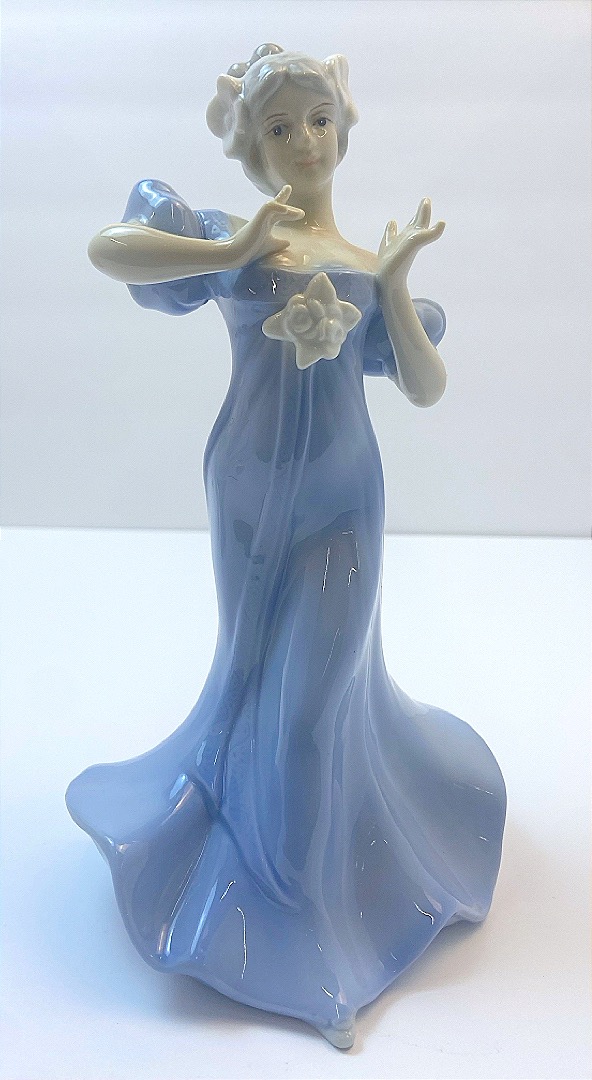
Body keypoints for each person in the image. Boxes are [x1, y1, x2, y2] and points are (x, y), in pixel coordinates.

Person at [67, 45, 506, 1049]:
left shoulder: (360, 263)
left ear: (341, 130)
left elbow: (425, 386)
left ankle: (316, 948)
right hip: (247, 496)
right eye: (278, 126)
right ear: (251, 146)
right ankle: (259, 896)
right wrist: (230, 250)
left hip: (342, 506)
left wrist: (394, 282)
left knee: (308, 712)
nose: (303, 141)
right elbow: (111, 249)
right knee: (254, 678)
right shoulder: (238, 238)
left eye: (317, 119)